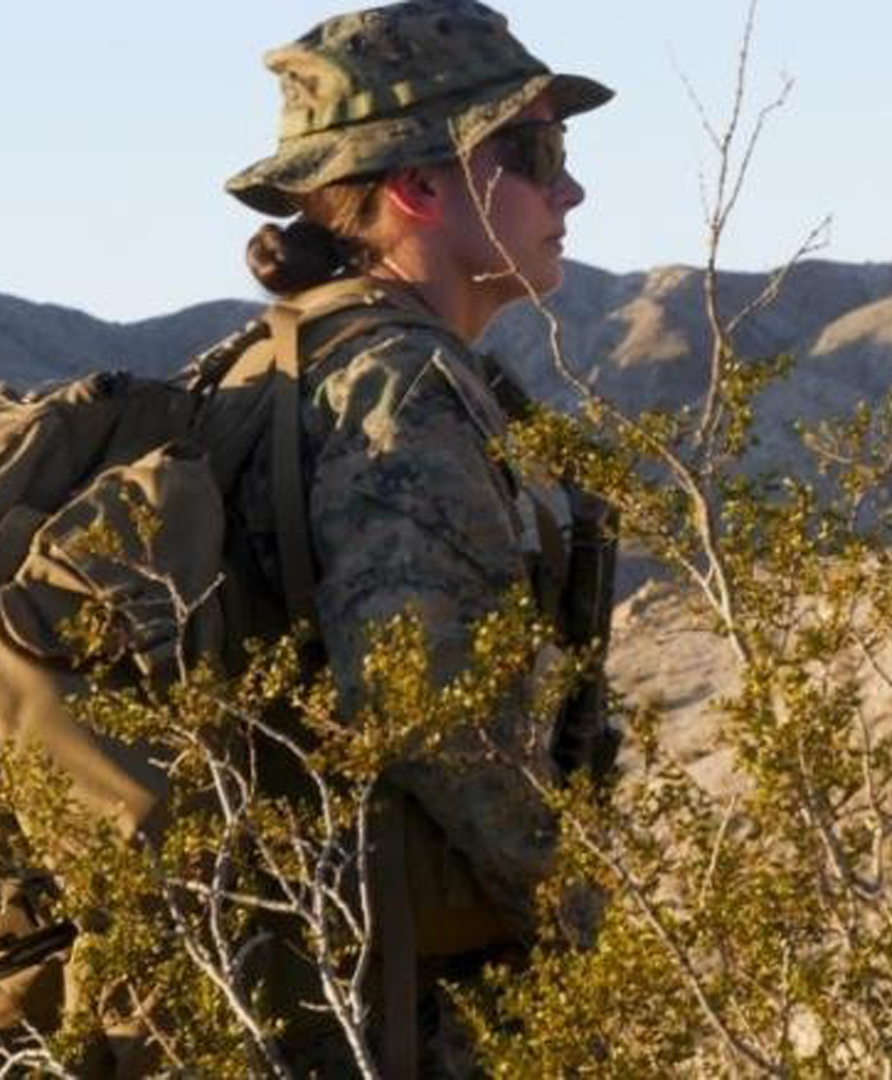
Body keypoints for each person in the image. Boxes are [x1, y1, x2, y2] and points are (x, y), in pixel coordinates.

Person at [223, 1, 616, 1073]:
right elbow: (428, 709)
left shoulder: (282, 360)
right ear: (418, 187)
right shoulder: (399, 386)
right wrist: (590, 925)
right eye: (533, 154)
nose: (569, 190)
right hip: (380, 1017)